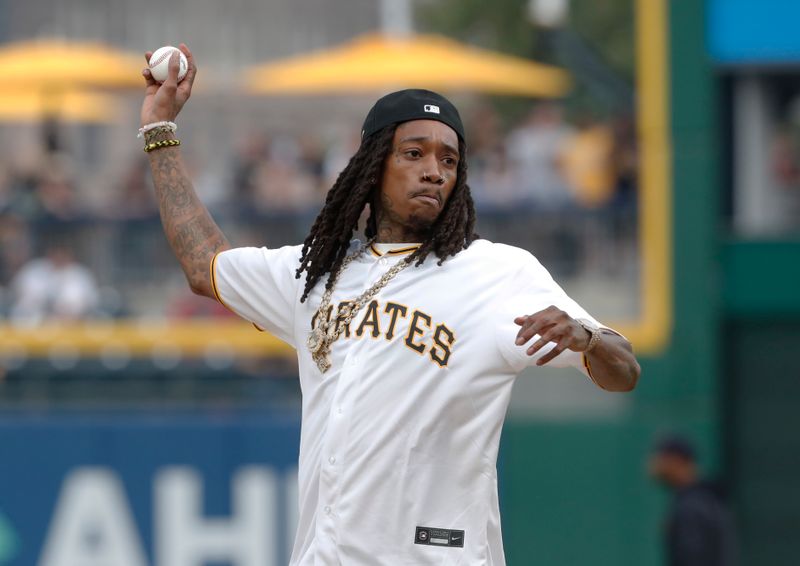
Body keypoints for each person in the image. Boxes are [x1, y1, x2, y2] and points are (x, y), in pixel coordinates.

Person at [139, 45, 641, 566]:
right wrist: (159, 132)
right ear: (374, 164)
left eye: (449, 159)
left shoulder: (497, 273)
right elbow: (205, 266)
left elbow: (624, 369)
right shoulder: (317, 274)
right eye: (414, 153)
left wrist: (589, 337)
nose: (434, 171)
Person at [649, 435, 737, 566]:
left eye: (662, 458)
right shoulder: (706, 497)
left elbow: (693, 558)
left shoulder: (692, 505)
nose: (656, 465)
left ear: (676, 460)